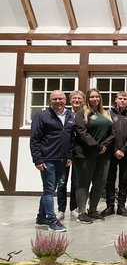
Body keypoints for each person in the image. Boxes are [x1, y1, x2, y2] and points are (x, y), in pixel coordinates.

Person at [30, 90, 75, 232]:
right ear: (50, 100)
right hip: (47, 159)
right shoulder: (42, 116)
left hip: (62, 160)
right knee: (49, 190)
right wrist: (37, 159)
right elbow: (34, 139)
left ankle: (41, 217)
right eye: (55, 99)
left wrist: (69, 156)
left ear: (65, 100)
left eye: (60, 98)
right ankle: (52, 220)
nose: (58, 101)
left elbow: (71, 138)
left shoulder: (70, 115)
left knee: (51, 189)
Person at [73, 88, 115, 224]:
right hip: (85, 154)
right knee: (84, 183)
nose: (95, 99)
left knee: (99, 183)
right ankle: (82, 213)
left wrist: (104, 146)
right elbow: (81, 132)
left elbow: (112, 132)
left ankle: (93, 210)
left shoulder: (105, 113)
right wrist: (97, 146)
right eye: (92, 97)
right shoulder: (81, 113)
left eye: (97, 96)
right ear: (88, 99)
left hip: (102, 155)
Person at [101, 91, 127, 217]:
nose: (122, 101)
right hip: (111, 153)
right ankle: (110, 206)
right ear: (116, 100)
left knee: (124, 180)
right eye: (120, 98)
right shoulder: (108, 114)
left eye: (125, 99)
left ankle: (121, 206)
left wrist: (124, 150)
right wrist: (114, 150)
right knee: (110, 180)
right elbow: (106, 134)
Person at [56, 90, 84, 220]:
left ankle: (74, 208)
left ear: (83, 100)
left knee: (76, 182)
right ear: (70, 100)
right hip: (64, 153)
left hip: (79, 153)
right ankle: (61, 209)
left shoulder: (85, 114)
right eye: (74, 98)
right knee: (62, 182)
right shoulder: (65, 114)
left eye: (79, 98)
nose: (77, 100)